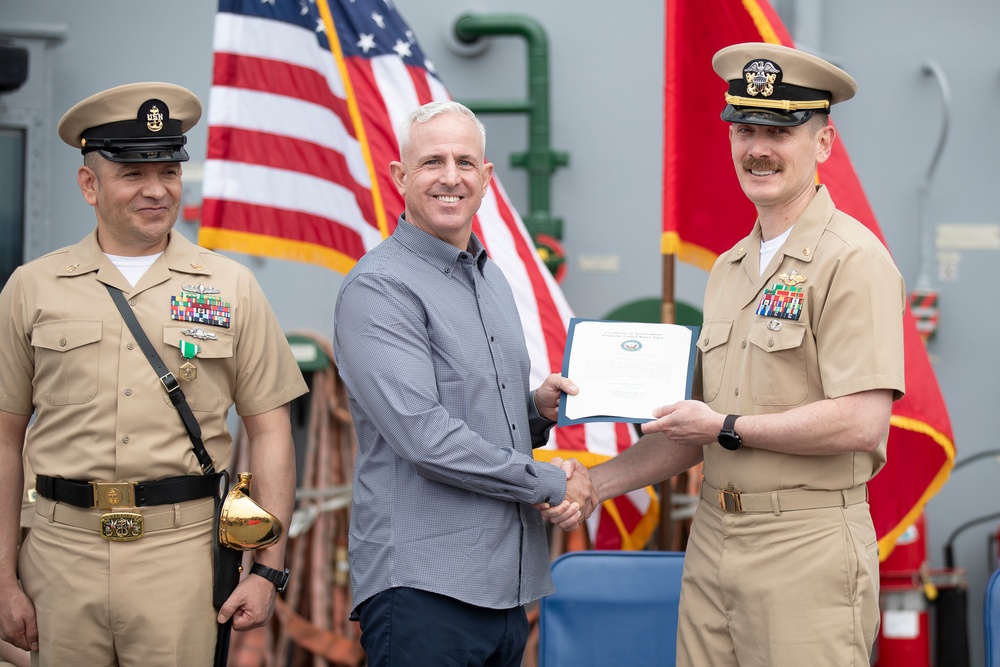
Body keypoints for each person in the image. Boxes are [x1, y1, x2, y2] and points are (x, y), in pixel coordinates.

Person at [544, 43, 905, 666]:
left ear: (823, 143)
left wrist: (727, 428)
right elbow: (695, 429)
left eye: (779, 130)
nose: (757, 147)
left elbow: (861, 419)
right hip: (713, 539)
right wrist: (597, 483)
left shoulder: (854, 259)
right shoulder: (731, 268)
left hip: (806, 545)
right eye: (745, 128)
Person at [0, 82, 309, 666]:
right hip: (60, 555)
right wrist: (1, 580)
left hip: (183, 559)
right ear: (89, 184)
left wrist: (268, 569)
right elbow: (4, 438)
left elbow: (271, 431)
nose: (155, 190)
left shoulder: (230, 286)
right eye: (132, 174)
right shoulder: (31, 288)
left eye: (168, 171)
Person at [333, 100, 596, 667]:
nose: (450, 177)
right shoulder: (380, 289)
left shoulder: (489, 276)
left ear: (486, 178)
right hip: (424, 589)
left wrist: (539, 411)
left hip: (504, 585)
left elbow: (477, 414)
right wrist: (548, 482)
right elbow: (425, 437)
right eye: (432, 162)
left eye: (465, 162)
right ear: (401, 177)